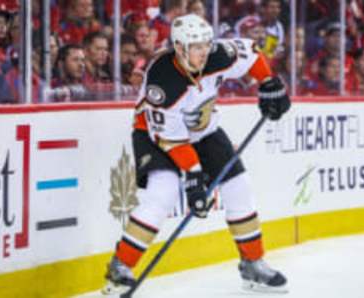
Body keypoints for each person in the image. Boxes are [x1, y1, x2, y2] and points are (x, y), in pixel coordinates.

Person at [103, 14, 290, 295]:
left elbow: (251, 52)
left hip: (203, 131)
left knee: (238, 187)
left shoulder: (217, 54)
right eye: (196, 46)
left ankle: (253, 263)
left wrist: (268, 83)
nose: (204, 51)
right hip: (156, 136)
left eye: (206, 44)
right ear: (179, 47)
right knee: (163, 193)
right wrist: (193, 177)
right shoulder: (162, 81)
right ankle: (121, 265)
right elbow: (171, 139)